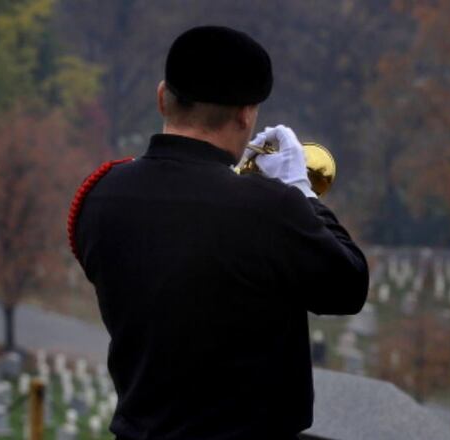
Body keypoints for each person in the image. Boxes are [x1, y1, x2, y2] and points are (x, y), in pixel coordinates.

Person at [69, 25, 368, 440]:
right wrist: (302, 195)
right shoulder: (270, 208)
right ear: (246, 114)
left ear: (162, 97)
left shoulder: (99, 194)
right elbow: (348, 287)